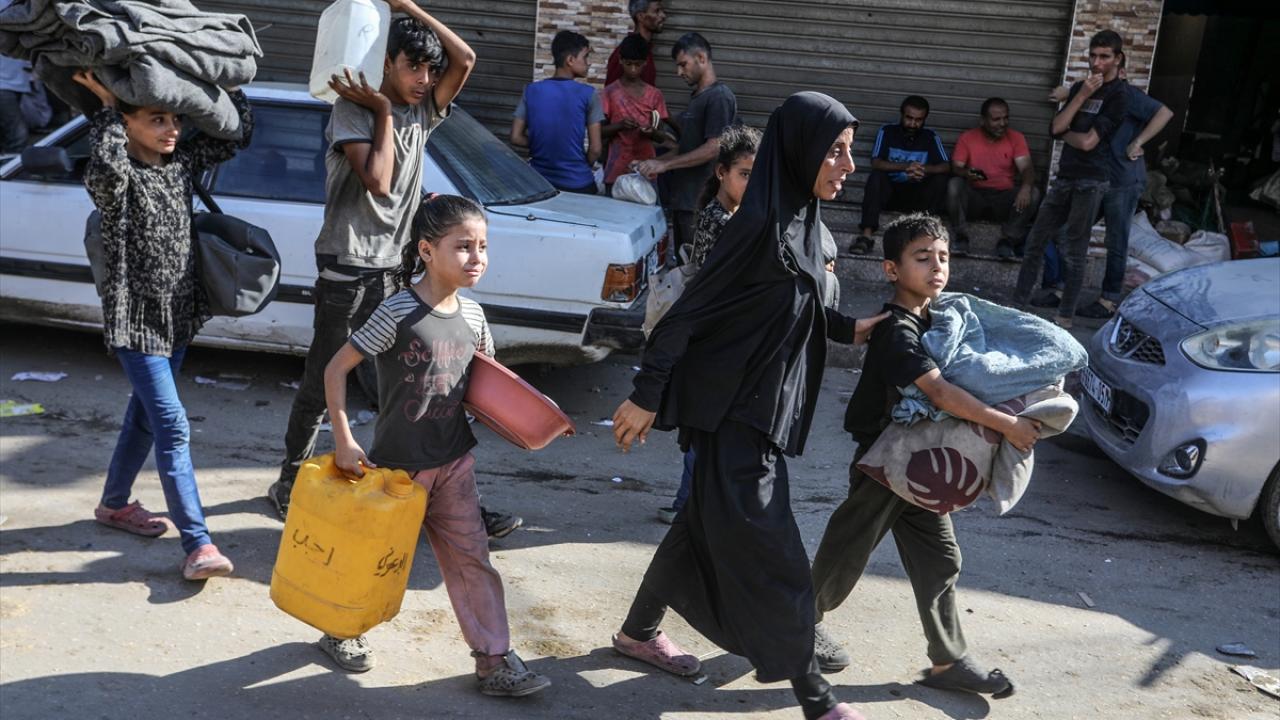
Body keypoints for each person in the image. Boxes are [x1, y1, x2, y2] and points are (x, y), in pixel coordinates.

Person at [611, 92, 890, 720]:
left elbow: (795, 302)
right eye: (836, 152)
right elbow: (687, 315)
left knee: (695, 527)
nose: (849, 167)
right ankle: (816, 698)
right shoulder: (757, 226)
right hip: (732, 415)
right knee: (776, 556)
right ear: (801, 153)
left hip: (755, 414)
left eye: (849, 153)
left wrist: (854, 329)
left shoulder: (802, 222)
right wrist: (645, 397)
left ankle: (636, 632)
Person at [319, 195, 551, 696]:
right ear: (426, 250)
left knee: (473, 561)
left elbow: (487, 385)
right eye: (463, 246)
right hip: (396, 471)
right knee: (375, 562)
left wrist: (529, 420)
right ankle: (340, 628)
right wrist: (343, 438)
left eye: (483, 246)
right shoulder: (397, 311)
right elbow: (336, 369)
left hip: (454, 465)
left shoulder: (474, 315)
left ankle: (493, 660)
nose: (477, 257)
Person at [809, 213, 1039, 699]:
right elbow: (940, 393)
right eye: (922, 257)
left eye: (943, 257)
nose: (937, 267)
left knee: (940, 559)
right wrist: (1007, 426)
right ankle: (796, 626)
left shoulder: (938, 322)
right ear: (891, 270)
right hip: (885, 460)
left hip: (920, 462)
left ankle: (948, 660)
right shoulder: (898, 330)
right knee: (847, 551)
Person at [267, 3, 483, 519]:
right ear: (386, 63)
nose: (424, 79)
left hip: (395, 269)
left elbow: (466, 59)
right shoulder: (353, 109)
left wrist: (406, 7)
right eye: (413, 67)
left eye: (430, 70)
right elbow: (379, 182)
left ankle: (414, 488)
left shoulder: (423, 111)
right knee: (325, 376)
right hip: (349, 267)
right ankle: (289, 481)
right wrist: (383, 110)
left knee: (403, 385)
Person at [73, 68, 253, 581]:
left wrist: (227, 85)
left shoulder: (181, 164)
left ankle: (113, 505)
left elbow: (236, 135)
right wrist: (108, 110)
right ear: (127, 124)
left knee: (145, 417)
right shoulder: (117, 178)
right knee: (171, 424)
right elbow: (104, 171)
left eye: (174, 119)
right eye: (156, 119)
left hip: (178, 318)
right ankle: (198, 544)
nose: (171, 129)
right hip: (136, 324)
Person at [655, 123, 760, 524]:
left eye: (756, 176)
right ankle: (687, 505)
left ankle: (692, 503)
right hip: (712, 337)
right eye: (744, 174)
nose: (751, 184)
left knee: (709, 425)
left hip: (718, 335)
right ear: (721, 172)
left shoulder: (731, 214)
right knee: (706, 424)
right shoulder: (721, 220)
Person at [1011, 30, 1128, 328]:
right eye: (1093, 56)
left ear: (1117, 59)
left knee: (1074, 249)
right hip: (1065, 176)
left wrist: (1066, 133)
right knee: (1036, 240)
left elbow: (1088, 142)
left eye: (1104, 57)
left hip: (1092, 180)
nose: (1096, 63)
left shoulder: (1119, 95)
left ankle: (1065, 316)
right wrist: (1082, 96)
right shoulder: (1080, 88)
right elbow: (1055, 128)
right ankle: (1017, 306)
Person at [1075, 64, 1172, 319]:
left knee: (1116, 241)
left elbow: (1164, 113)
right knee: (1071, 231)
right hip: (1098, 178)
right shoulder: (1098, 95)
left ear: (1123, 72)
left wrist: (1138, 142)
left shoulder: (1129, 95)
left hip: (1123, 180)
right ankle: (1061, 288)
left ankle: (1108, 300)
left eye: (1110, 66)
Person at [634, 32, 736, 259]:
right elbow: (685, 148)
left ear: (701, 58)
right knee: (683, 267)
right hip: (684, 202)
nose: (679, 72)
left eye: (683, 64)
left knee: (697, 268)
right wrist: (651, 162)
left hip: (701, 204)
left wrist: (665, 166)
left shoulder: (719, 97)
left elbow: (713, 147)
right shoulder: (697, 98)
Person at [852, 95, 950, 256]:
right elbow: (876, 162)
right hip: (891, 194)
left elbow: (945, 166)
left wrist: (922, 170)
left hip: (918, 197)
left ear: (924, 119)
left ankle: (928, 236)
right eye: (909, 118)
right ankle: (866, 236)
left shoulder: (930, 137)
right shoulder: (887, 131)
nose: (912, 124)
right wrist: (906, 167)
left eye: (918, 120)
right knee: (876, 176)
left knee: (941, 180)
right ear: (902, 115)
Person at [946, 97, 1041, 258]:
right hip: (975, 198)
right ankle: (961, 237)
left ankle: (1008, 240)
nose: (1002, 123)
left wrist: (1026, 187)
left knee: (1033, 193)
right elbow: (956, 167)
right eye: (996, 119)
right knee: (954, 184)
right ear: (983, 121)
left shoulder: (1016, 138)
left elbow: (1026, 167)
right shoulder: (968, 138)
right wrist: (966, 173)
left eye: (1005, 118)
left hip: (1004, 199)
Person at [510, 30, 603, 194]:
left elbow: (516, 137)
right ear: (570, 60)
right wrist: (583, 165)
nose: (588, 63)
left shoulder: (531, 91)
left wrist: (543, 145)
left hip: (539, 183)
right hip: (578, 183)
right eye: (585, 57)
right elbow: (595, 149)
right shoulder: (588, 94)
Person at [600, 34, 670, 194]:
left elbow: (661, 136)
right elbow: (599, 131)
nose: (633, 69)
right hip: (616, 170)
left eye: (637, 64)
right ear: (620, 60)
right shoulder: (609, 93)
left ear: (645, 62)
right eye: (628, 64)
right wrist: (620, 125)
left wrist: (652, 132)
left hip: (646, 170)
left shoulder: (655, 95)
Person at [605, 0, 666, 86]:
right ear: (640, 16)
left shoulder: (647, 49)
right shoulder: (624, 52)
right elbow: (610, 91)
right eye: (657, 11)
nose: (663, 16)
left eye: (662, 11)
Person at [0, 54, 32, 153]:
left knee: (10, 131)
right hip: (4, 85)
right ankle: (14, 160)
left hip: (15, 83)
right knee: (17, 134)